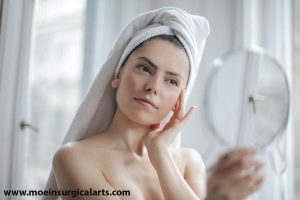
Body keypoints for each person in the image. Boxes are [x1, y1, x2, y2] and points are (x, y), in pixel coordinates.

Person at [44, 7, 264, 200]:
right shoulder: (74, 157)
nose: (153, 87)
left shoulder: (189, 163)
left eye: (171, 81)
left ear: (180, 96)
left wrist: (160, 153)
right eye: (144, 68)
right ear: (117, 74)